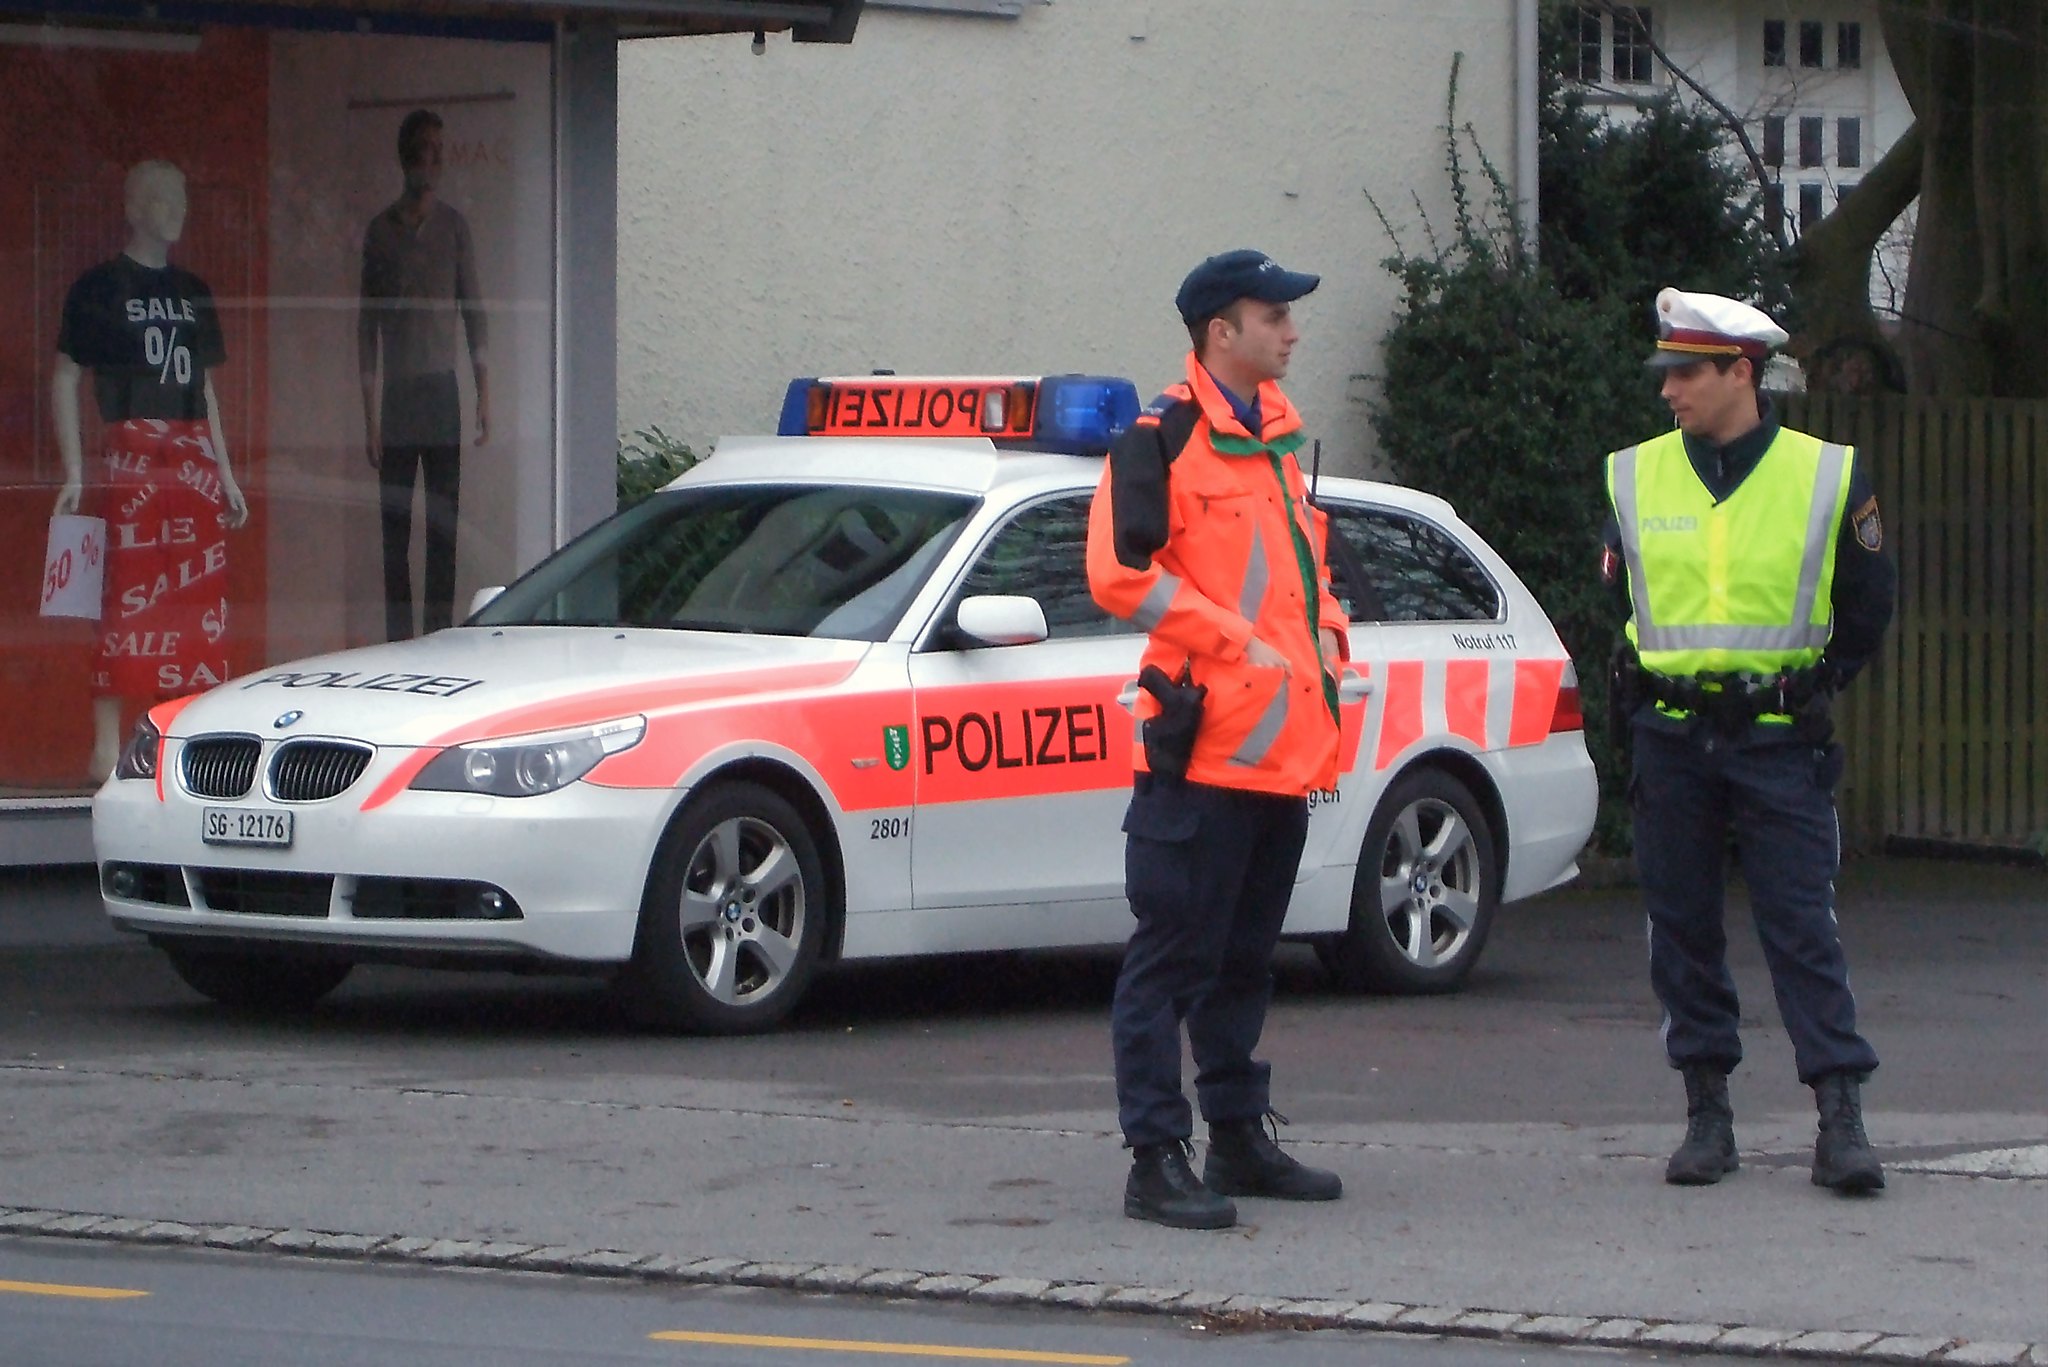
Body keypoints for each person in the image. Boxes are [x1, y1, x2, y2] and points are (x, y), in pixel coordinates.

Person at [1602, 287, 1896, 1195]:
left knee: (1802, 927)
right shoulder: (1634, 473)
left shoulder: (1828, 474)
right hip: (1673, 737)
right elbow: (1621, 598)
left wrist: (1811, 686)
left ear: (1742, 373)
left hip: (1778, 739)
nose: (1668, 392)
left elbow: (1869, 605)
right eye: (1666, 373)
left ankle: (1839, 1118)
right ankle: (1707, 1115)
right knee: (1681, 930)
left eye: (1686, 373)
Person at [1085, 249, 1351, 1230]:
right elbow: (1119, 575)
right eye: (1271, 314)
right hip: (1195, 753)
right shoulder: (1161, 439)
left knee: (1242, 960)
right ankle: (1154, 1156)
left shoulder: (1275, 440)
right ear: (1218, 332)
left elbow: (1298, 572)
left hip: (1275, 756)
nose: (1290, 330)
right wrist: (1226, 636)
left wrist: (1326, 634)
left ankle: (1235, 1133)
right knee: (1169, 961)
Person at [52, 160, 248, 781]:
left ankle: (175, 738)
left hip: (190, 460)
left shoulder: (194, 292)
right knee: (123, 598)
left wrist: (225, 469)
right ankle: (106, 743)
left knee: (191, 603)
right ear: (134, 207)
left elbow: (206, 389)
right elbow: (65, 375)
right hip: (131, 457)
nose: (177, 209)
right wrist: (74, 469)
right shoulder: (100, 287)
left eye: (181, 197)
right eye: (162, 198)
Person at [359, 107, 490, 642]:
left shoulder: (454, 228)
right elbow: (366, 327)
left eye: (438, 152)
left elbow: (474, 310)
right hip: (399, 393)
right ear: (405, 156)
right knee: (395, 528)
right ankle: (398, 639)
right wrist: (369, 419)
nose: (430, 161)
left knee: (443, 526)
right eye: (422, 150)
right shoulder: (381, 232)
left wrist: (486, 394)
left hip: (441, 389)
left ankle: (437, 637)